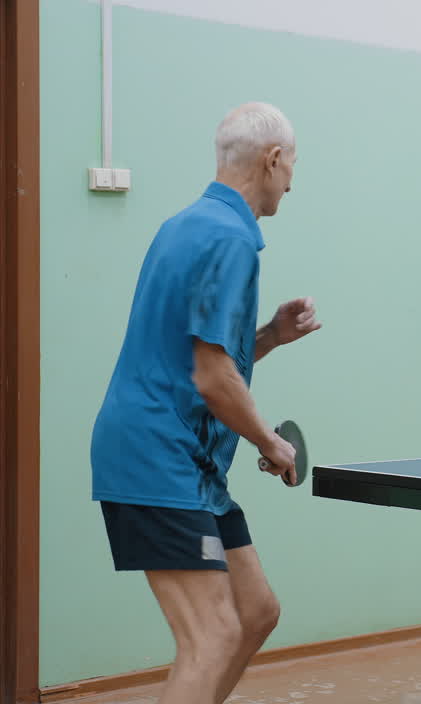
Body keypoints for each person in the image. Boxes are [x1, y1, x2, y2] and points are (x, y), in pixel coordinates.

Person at [90, 102, 321, 703]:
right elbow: (213, 379)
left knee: (256, 611)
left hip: (187, 462)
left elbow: (195, 357)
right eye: (292, 166)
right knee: (213, 634)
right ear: (272, 160)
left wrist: (268, 336)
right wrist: (270, 441)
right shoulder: (233, 238)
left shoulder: (187, 224)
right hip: (156, 458)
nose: (292, 182)